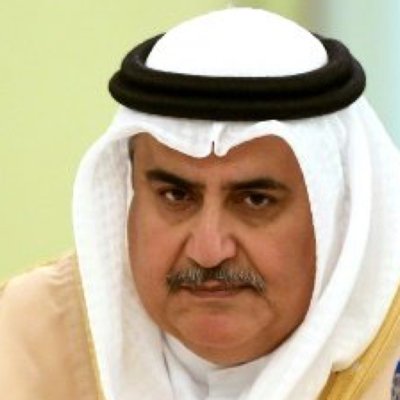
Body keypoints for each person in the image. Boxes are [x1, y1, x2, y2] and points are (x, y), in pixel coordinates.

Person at [1, 7, 400, 400]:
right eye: (176, 196)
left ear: (338, 213)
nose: (209, 251)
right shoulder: (24, 336)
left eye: (256, 200)